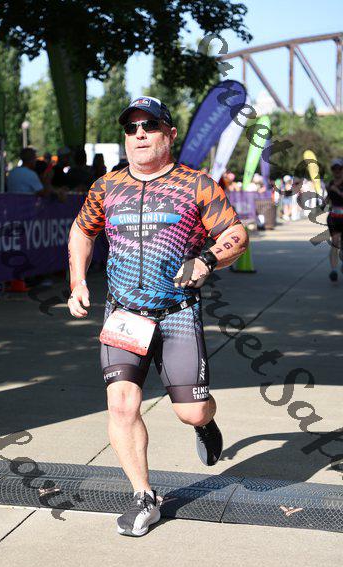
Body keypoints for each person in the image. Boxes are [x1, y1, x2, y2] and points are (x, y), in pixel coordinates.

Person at [67, 96, 248, 537]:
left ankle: (205, 424)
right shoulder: (106, 187)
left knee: (192, 412)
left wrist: (207, 259)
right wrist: (78, 281)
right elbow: (81, 231)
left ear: (170, 134)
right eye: (131, 128)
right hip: (124, 315)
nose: (140, 134)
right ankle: (143, 496)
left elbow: (236, 233)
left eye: (149, 126)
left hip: (177, 314)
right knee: (121, 403)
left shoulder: (197, 184)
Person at [326, 158, 343, 282]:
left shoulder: (333, 185)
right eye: (334, 168)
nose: (337, 171)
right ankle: (334, 270)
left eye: (339, 168)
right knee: (335, 242)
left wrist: (335, 189)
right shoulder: (330, 184)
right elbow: (327, 199)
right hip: (334, 217)